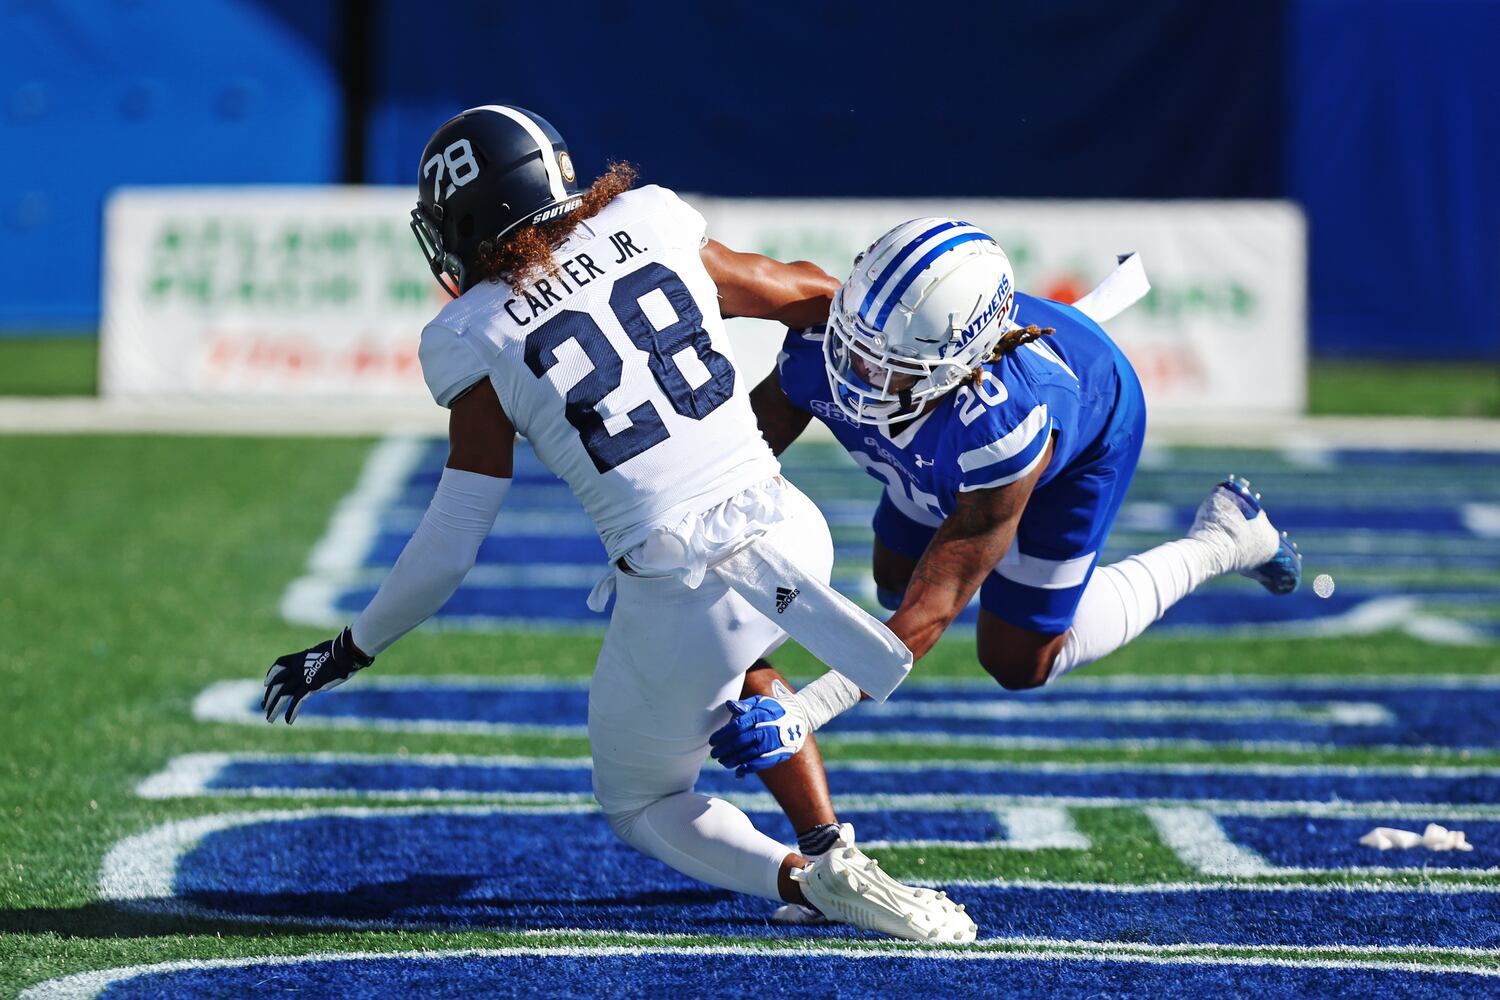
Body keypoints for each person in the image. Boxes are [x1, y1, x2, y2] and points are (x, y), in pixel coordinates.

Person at [259, 108, 975, 943]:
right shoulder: (649, 220)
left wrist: (352, 646)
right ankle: (830, 846)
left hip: (690, 584)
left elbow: (453, 539)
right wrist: (956, 341)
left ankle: (813, 881)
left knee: (641, 799)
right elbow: (805, 295)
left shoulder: (471, 333)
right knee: (740, 658)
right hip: (791, 527)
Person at [708, 217, 1302, 779]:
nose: (855, 371)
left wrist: (806, 711)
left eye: (886, 366)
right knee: (890, 577)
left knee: (1016, 662)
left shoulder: (1001, 428)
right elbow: (747, 439)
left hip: (1086, 424)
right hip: (944, 439)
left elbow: (934, 606)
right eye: (852, 343)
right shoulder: (826, 328)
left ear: (957, 367)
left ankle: (1223, 539)